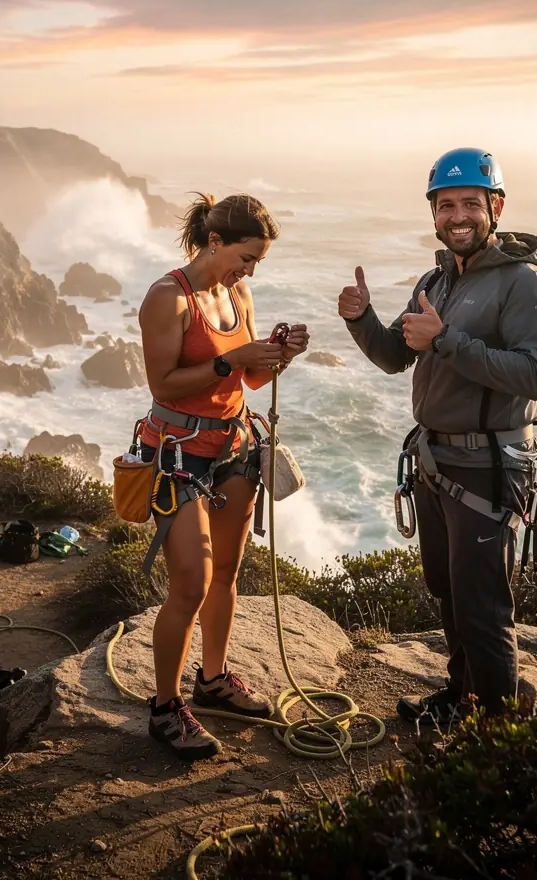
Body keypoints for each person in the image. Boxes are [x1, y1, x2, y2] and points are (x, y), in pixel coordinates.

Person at [337, 147, 537, 728]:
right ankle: (464, 698)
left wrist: (446, 341)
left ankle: (500, 737)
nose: (457, 216)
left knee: (482, 606)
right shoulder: (436, 282)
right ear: (434, 213)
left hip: (488, 467)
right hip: (435, 462)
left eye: (470, 204)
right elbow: (395, 355)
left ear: (496, 208)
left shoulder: (524, 284)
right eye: (446, 205)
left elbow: (533, 375)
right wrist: (362, 319)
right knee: (449, 591)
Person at [137, 192, 310, 761]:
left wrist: (278, 355)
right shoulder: (168, 298)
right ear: (215, 242)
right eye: (247, 257)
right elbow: (164, 385)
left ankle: (211, 680)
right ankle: (165, 708)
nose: (251, 271)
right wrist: (231, 360)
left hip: (234, 445)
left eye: (258, 261)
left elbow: (251, 380)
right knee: (191, 583)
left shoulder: (238, 293)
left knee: (227, 573)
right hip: (178, 454)